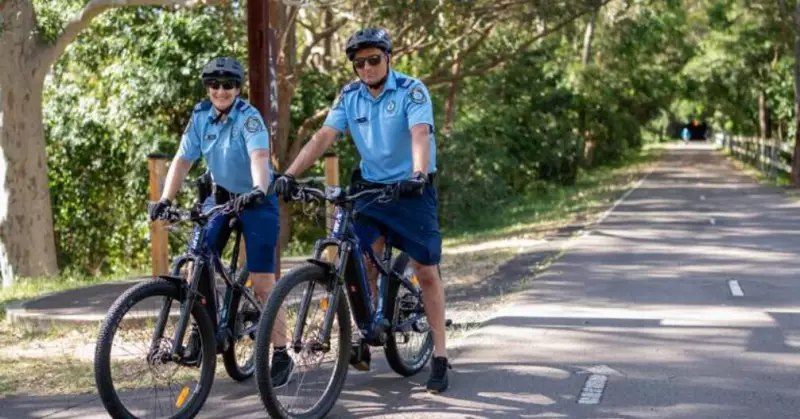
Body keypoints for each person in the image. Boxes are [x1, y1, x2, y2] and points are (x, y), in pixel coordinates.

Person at [272, 27, 451, 393]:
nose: (367, 68)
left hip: (411, 190)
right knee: (360, 258)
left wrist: (418, 174)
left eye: (373, 59)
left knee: (426, 271)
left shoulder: (411, 90)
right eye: (359, 63)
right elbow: (324, 136)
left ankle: (440, 356)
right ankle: (365, 330)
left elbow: (420, 134)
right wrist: (289, 174)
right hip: (369, 188)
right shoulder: (350, 95)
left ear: (389, 58)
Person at [147, 57, 293, 386]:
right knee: (196, 264)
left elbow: (258, 157)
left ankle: (282, 352)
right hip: (223, 198)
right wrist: (165, 200)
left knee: (262, 281)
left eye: (228, 85)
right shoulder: (201, 117)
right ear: (207, 88)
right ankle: (204, 331)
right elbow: (183, 160)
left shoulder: (248, 117)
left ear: (238, 88)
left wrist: (258, 188)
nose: (221, 90)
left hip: (258, 200)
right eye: (214, 84)